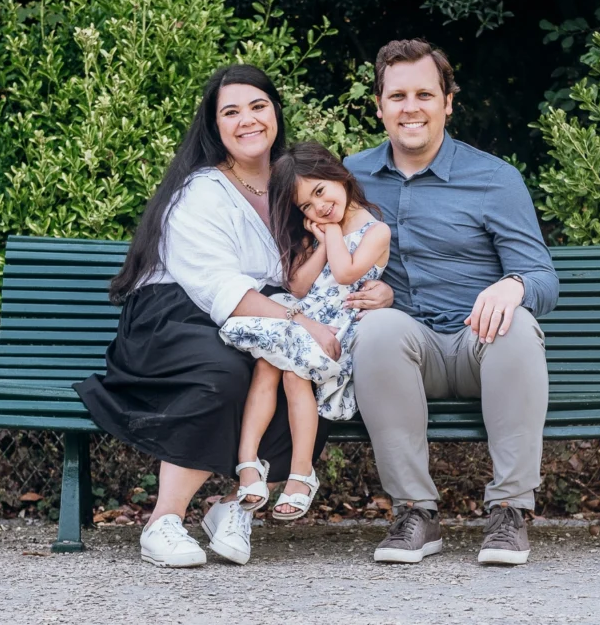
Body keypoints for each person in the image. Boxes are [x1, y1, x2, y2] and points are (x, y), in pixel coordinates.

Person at [75, 65, 394, 568]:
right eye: (231, 112)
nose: (247, 120)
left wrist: (380, 291)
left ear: (275, 112)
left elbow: (336, 264)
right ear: (214, 126)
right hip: (175, 316)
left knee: (309, 373)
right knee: (224, 373)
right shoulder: (201, 191)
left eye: (258, 106)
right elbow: (220, 289)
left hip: (261, 313)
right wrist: (299, 321)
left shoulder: (297, 187)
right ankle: (164, 519)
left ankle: (232, 506)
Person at [343, 38, 559, 566]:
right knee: (376, 330)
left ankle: (509, 512)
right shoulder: (350, 178)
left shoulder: (493, 179)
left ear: (448, 102)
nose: (410, 107)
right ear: (379, 105)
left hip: (476, 344)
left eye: (424, 94)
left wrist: (514, 286)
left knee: (517, 325)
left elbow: (542, 279)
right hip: (405, 349)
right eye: (397, 96)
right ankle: (415, 513)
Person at [219, 142, 390, 520]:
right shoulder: (318, 233)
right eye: (306, 207)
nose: (319, 208)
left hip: (334, 328)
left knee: (295, 375)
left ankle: (301, 473)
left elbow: (346, 274)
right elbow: (297, 286)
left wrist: (328, 234)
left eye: (319, 191)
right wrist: (320, 241)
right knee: (267, 365)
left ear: (338, 175)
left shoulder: (375, 230)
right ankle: (248, 462)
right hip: (300, 316)